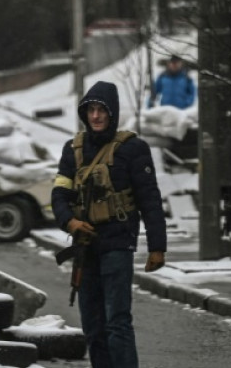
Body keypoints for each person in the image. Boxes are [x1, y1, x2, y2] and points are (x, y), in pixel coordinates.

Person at [51, 81, 167, 368]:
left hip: (117, 242)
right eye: (90, 110)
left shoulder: (134, 149)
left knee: (117, 322)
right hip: (85, 245)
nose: (96, 116)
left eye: (101, 110)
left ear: (112, 113)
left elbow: (150, 200)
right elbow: (59, 194)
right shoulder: (73, 149)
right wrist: (70, 222)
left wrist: (158, 247)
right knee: (93, 326)